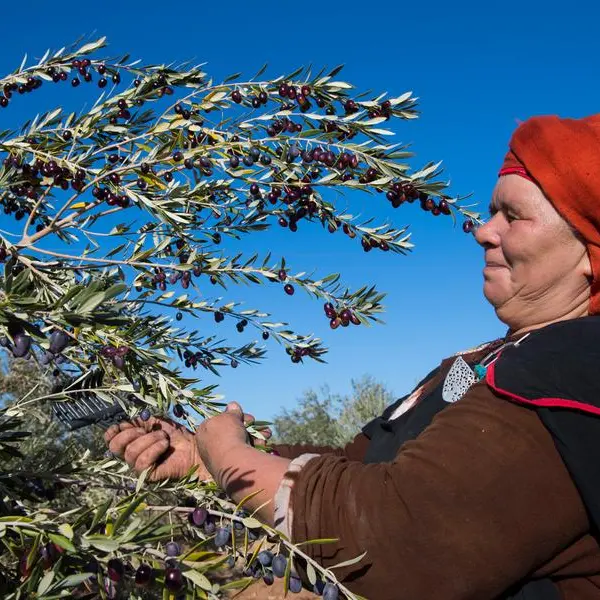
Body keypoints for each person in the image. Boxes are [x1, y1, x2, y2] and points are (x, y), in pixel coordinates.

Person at [105, 115, 600, 600]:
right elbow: (356, 468)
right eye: (492, 211)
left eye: (512, 216)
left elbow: (396, 539)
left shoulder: (577, 365)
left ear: (587, 253)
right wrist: (202, 461)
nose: (483, 231)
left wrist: (230, 455)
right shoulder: (481, 362)